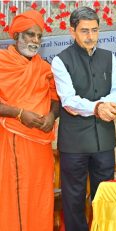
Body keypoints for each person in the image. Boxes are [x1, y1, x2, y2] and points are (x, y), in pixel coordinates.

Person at [51, 7, 116, 231]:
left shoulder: (108, 57)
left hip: (104, 140)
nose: (90, 36)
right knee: (73, 199)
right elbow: (69, 101)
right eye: (84, 31)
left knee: (105, 195)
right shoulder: (60, 60)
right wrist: (99, 107)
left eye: (94, 30)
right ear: (72, 31)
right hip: (74, 144)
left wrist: (102, 105)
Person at [0, 10, 59, 231]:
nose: (35, 40)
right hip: (11, 140)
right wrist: (19, 113)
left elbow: (56, 99)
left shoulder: (44, 67)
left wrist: (52, 115)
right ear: (16, 36)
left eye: (38, 36)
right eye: (30, 35)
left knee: (40, 195)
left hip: (41, 144)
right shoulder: (2, 62)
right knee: (15, 196)